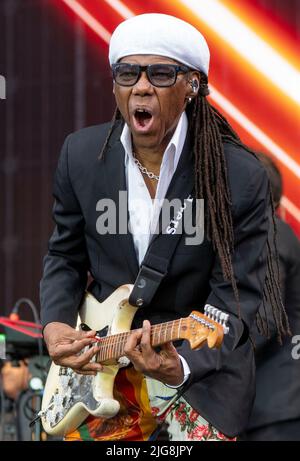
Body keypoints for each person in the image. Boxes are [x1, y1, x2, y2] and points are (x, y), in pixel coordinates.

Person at [40, 13, 289, 441]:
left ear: (191, 85)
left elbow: (238, 299)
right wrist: (56, 324)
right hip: (100, 371)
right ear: (116, 85)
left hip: (198, 380)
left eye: (159, 73)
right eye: (128, 73)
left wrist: (183, 363)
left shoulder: (237, 176)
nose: (141, 85)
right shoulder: (80, 156)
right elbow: (64, 255)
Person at [241, 153, 300, 441]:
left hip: (276, 410)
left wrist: (206, 357)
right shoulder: (274, 234)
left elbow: (265, 320)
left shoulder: (270, 234)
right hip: (274, 407)